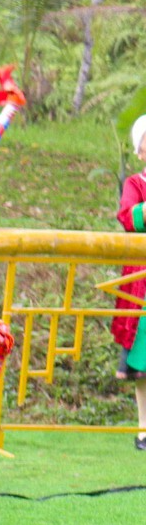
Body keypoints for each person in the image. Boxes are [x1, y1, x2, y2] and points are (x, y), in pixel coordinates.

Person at [114, 114, 146, 450]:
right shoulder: (136, 183)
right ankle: (143, 428)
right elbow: (128, 217)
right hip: (143, 282)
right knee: (144, 363)